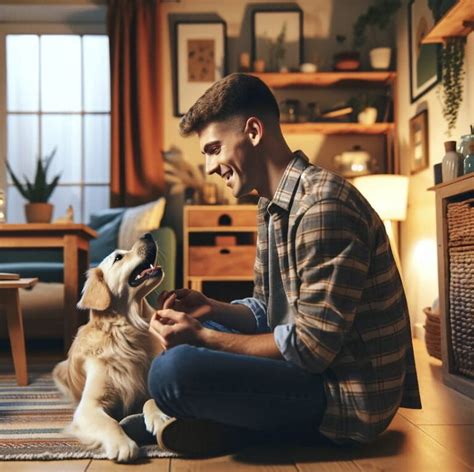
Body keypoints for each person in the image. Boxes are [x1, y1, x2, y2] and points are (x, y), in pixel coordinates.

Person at [124, 73, 421, 456]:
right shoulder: (271, 204)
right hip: (310, 369)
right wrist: (209, 309)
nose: (211, 166)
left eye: (214, 148)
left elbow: (311, 347)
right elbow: (268, 309)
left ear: (252, 131)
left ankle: (220, 424)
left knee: (173, 371)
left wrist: (204, 338)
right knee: (191, 335)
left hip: (345, 397)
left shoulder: (322, 205)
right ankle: (206, 420)